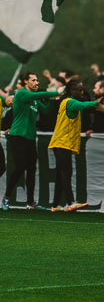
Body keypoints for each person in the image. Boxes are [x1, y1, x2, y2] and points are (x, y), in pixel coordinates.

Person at [1, 73, 60, 210]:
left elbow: (46, 111)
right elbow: (36, 95)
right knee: (20, 166)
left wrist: (52, 98)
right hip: (17, 135)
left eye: (37, 80)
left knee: (32, 169)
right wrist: (54, 92)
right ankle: (6, 198)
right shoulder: (22, 94)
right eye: (33, 80)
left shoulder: (34, 99)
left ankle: (30, 202)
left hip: (30, 137)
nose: (37, 82)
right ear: (26, 82)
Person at [48, 78, 104, 211]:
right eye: (79, 90)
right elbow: (84, 106)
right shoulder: (70, 102)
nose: (81, 92)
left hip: (61, 142)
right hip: (63, 143)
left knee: (60, 174)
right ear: (71, 91)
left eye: (82, 90)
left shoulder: (66, 101)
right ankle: (71, 202)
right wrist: (95, 102)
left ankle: (55, 205)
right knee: (66, 173)